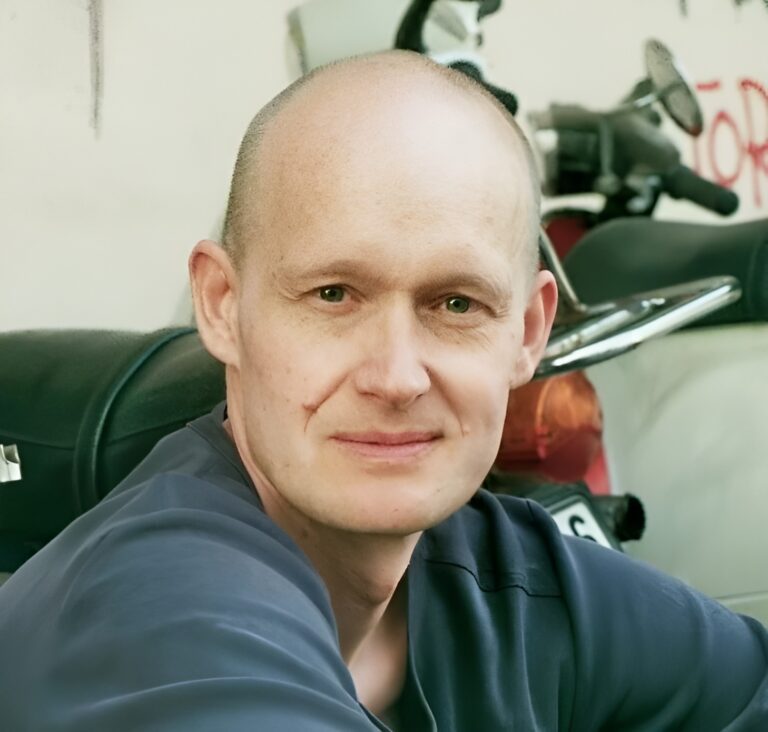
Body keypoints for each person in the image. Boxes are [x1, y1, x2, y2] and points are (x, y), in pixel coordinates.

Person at [0, 51, 766, 732]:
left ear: (529, 331)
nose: (397, 377)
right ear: (223, 306)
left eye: (456, 303)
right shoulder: (158, 622)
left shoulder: (508, 579)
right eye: (333, 295)